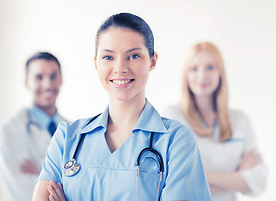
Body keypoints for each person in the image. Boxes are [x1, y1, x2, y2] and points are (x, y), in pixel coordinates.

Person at [32, 13, 211, 201]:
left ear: (153, 61)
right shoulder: (67, 138)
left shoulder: (176, 141)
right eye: (108, 57)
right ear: (96, 63)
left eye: (133, 56)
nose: (120, 68)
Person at [162, 42, 267, 201]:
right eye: (194, 68)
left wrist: (198, 177)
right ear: (186, 75)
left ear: (220, 72)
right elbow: (172, 184)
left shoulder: (240, 120)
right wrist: (237, 177)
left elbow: (259, 180)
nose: (202, 75)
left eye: (210, 67)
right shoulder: (173, 116)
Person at [0, 52, 66, 201]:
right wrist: (64, 182)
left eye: (53, 76)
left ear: (61, 79)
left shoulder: (73, 130)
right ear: (27, 82)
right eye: (39, 77)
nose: (48, 85)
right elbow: (21, 189)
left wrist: (39, 173)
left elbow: (82, 185)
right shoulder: (9, 130)